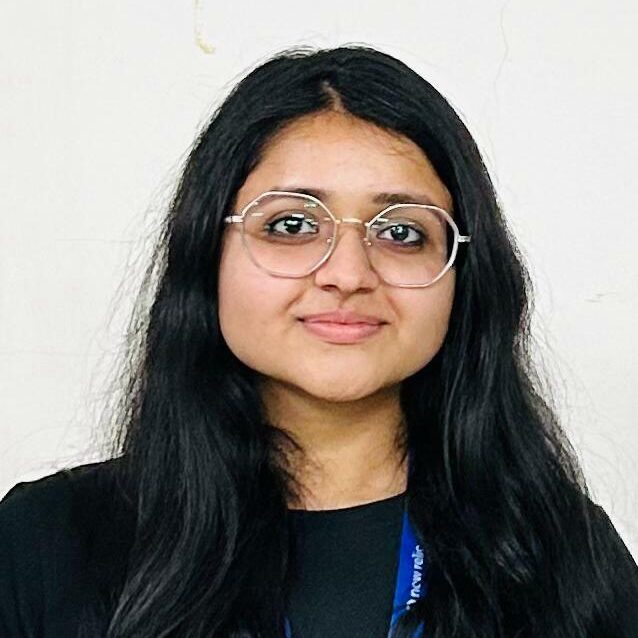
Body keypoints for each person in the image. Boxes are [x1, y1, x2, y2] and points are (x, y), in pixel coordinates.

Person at [1, 44, 636, 638]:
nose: (348, 273)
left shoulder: (561, 553)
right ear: (206, 255)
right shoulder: (44, 543)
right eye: (293, 224)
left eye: (403, 233)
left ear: (462, 279)